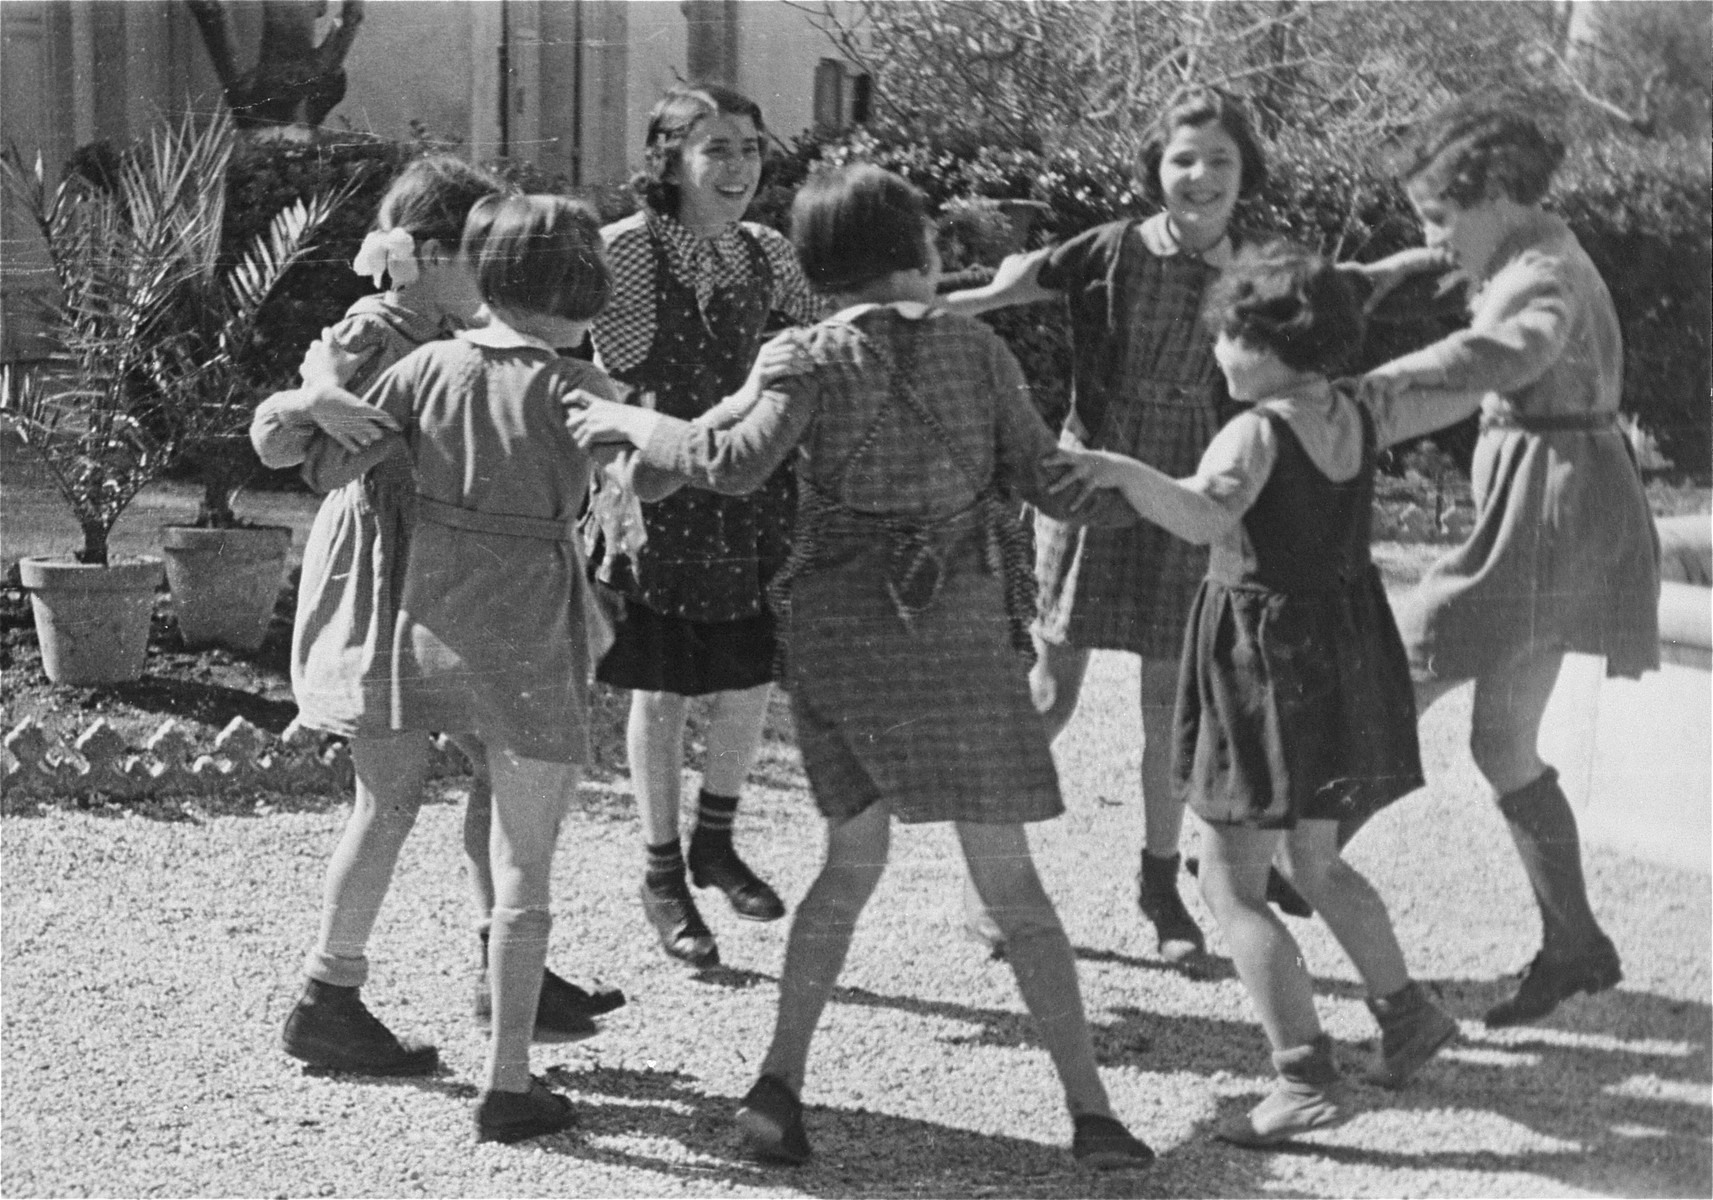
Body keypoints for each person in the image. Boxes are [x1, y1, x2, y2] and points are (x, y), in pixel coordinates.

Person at [569, 164, 1155, 1171]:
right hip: (964, 637)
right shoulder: (978, 350)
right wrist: (1170, 488)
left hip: (843, 639)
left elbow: (730, 461)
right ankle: (1092, 1114)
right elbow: (1050, 485)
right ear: (920, 252)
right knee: (1014, 889)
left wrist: (628, 423)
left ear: (815, 266)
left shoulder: (802, 353)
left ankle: (778, 1088)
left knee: (848, 868)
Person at [1049, 243, 1473, 1146]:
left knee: (1228, 881)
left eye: (1229, 339)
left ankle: (1302, 1076)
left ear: (1270, 342)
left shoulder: (1253, 430)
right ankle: (1406, 1016)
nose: (1218, 355)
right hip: (1339, 648)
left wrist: (1120, 471)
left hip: (1264, 663)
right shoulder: (1352, 411)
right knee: (1313, 862)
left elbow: (1205, 515)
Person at [252, 158, 621, 1079]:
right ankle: (327, 994)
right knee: (391, 793)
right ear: (422, 255)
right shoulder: (380, 330)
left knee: (497, 774)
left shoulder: (464, 331)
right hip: (392, 581)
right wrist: (315, 400)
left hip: (451, 585)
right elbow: (297, 446)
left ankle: (508, 966)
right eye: (477, 253)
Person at [942, 88, 1273, 962]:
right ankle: (988, 881)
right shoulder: (1109, 250)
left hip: (1188, 491)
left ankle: (1160, 887)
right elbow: (1005, 289)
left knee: (1171, 706)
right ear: (1155, 170)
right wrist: (909, 315)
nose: (1199, 177)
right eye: (1182, 159)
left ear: (1245, 174)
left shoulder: (1257, 271)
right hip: (1090, 480)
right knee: (1049, 691)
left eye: (1220, 162)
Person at [1361, 99, 1659, 1028]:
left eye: (1439, 216)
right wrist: (1376, 279)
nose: (1430, 235)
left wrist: (1389, 376)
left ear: (1492, 195)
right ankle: (1574, 945)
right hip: (1559, 492)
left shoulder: (1541, 276)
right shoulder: (1533, 251)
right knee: (1499, 740)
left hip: (1552, 509)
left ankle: (1291, 862)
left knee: (1402, 659)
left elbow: (1508, 350)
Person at [588, 83, 821, 969]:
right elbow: (584, 363)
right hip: (657, 482)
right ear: (670, 159)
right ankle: (661, 872)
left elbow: (821, 333)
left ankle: (714, 839)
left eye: (750, 148)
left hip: (748, 485)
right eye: (715, 148)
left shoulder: (765, 251)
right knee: (665, 681)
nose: (736, 167)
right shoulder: (629, 250)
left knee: (749, 666)